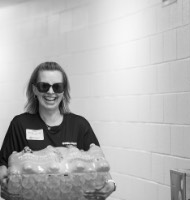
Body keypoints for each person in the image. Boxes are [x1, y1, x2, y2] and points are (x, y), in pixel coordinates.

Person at [0, 62, 116, 200]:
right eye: (44, 86)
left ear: (63, 91)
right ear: (35, 90)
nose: (50, 92)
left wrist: (111, 184)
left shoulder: (79, 125)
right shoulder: (20, 124)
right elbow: (3, 165)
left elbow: (99, 164)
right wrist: (4, 183)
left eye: (57, 87)